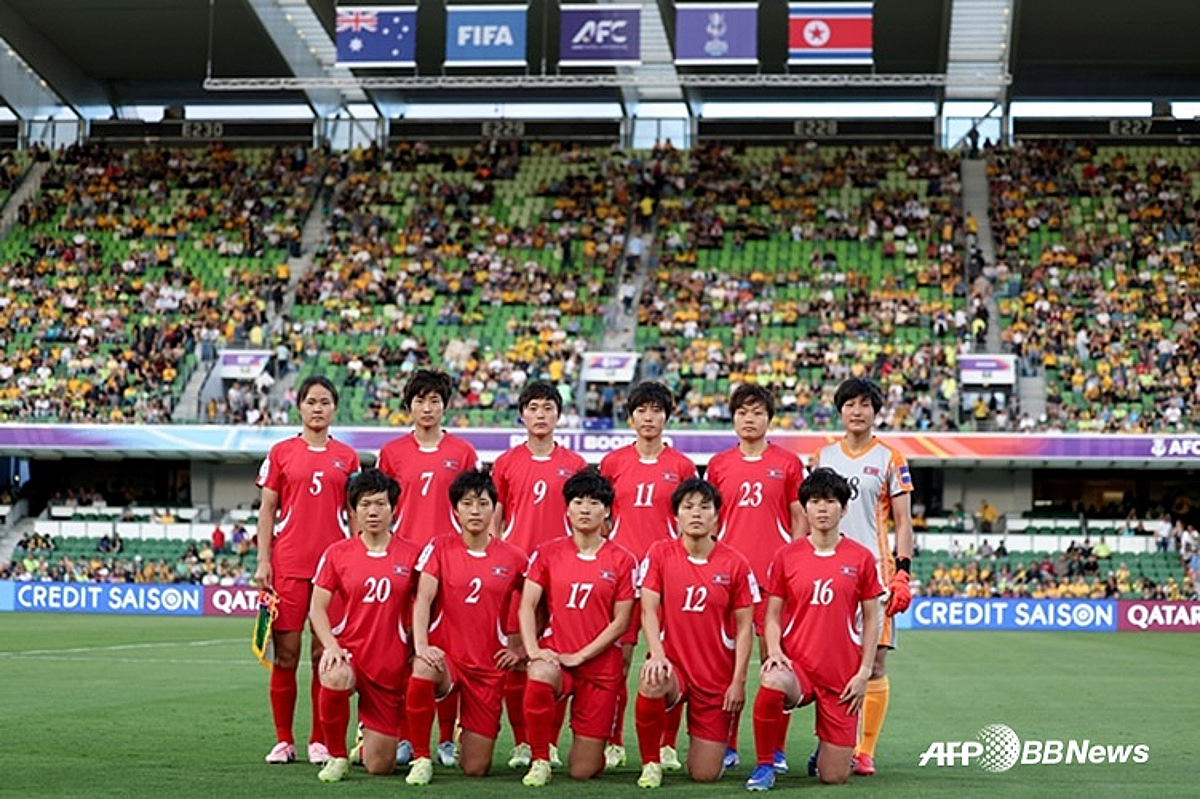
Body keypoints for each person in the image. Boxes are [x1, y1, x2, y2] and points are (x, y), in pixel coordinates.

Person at [746, 468, 883, 790]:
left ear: (844, 508)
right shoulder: (786, 556)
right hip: (799, 668)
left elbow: (873, 618)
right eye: (815, 501)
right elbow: (772, 613)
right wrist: (776, 651)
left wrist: (863, 673)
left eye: (831, 501)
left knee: (832, 777)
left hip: (842, 675)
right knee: (772, 679)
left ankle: (826, 749)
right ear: (804, 507)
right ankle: (765, 765)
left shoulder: (862, 558)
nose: (822, 508)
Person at [254, 375, 361, 766]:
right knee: (286, 654)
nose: (318, 408)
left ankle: (319, 739)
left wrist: (357, 565)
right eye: (311, 401)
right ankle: (284, 740)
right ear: (299, 407)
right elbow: (267, 510)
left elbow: (355, 516)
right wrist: (264, 560)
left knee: (325, 656)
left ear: (335, 408)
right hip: (289, 566)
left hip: (332, 571)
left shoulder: (347, 457)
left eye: (325, 402)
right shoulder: (281, 452)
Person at [809, 378, 913, 777]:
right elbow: (808, 516)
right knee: (827, 662)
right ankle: (832, 745)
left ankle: (864, 750)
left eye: (865, 404)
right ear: (840, 411)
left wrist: (902, 573)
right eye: (850, 404)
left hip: (875, 572)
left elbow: (903, 522)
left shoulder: (891, 458)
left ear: (875, 411)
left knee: (876, 662)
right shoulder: (822, 456)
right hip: (827, 573)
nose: (857, 411)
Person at [376, 368, 479, 765]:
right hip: (403, 562)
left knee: (445, 650)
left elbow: (474, 507)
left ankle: (446, 739)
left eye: (435, 400)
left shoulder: (463, 453)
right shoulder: (392, 453)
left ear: (445, 406)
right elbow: (377, 505)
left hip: (449, 563)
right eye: (420, 400)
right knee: (404, 649)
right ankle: (404, 735)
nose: (427, 407)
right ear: (409, 406)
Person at [704, 383, 806, 770]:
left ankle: (775, 749)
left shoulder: (789, 463)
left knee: (775, 661)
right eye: (743, 413)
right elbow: (711, 520)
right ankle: (726, 744)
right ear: (733, 420)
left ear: (769, 418)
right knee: (725, 662)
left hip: (772, 578)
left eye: (757, 412)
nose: (750, 419)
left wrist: (793, 565)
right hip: (727, 577)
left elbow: (799, 517)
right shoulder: (719, 464)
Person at [599, 381, 698, 769]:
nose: (649, 418)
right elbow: (601, 517)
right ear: (631, 417)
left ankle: (667, 745)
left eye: (657, 411)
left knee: (669, 661)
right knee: (618, 662)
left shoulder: (682, 466)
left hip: (667, 575)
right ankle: (613, 741)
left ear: (666, 417)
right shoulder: (613, 464)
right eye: (642, 411)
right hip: (622, 577)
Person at [404, 471, 526, 785]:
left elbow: (539, 604)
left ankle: (464, 735)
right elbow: (423, 599)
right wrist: (421, 646)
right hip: (447, 658)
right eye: (466, 503)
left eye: (482, 503)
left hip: (487, 667)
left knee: (476, 768)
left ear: (494, 509)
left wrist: (522, 649)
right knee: (422, 669)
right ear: (455, 510)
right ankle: (420, 756)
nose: (475, 510)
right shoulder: (439, 547)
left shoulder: (513, 558)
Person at [518, 468, 637, 787]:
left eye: (594, 502)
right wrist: (533, 652)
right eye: (578, 501)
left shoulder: (623, 560)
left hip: (599, 667)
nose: (585, 508)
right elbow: (527, 605)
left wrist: (580, 656)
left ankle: (587, 744)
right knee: (540, 672)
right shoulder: (547, 553)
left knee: (584, 770)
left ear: (608, 510)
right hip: (558, 658)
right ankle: (540, 758)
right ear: (567, 509)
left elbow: (621, 621)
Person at [634, 478, 756, 788]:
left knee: (705, 775)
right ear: (676, 515)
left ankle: (701, 744)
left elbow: (745, 628)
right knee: (652, 677)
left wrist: (737, 682)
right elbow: (648, 609)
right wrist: (657, 654)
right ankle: (651, 762)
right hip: (673, 667)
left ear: (717, 516)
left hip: (714, 678)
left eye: (705, 507)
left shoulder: (736, 564)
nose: (697, 514)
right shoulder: (660, 553)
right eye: (688, 507)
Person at [492, 380, 587, 770]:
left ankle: (548, 743)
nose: (541, 415)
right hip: (519, 572)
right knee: (519, 656)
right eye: (533, 408)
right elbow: (496, 519)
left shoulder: (575, 465)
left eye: (548, 408)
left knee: (558, 658)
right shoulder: (506, 463)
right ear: (523, 414)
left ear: (558, 415)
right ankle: (522, 743)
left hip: (563, 572)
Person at [308, 469, 421, 782]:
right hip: (350, 655)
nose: (373, 511)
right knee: (334, 673)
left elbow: (428, 604)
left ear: (393, 508)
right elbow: (316, 607)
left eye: (381, 504)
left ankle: (368, 741)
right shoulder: (337, 554)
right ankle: (336, 755)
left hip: (389, 666)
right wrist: (331, 645)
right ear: (353, 510)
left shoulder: (413, 555)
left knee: (380, 767)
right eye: (365, 504)